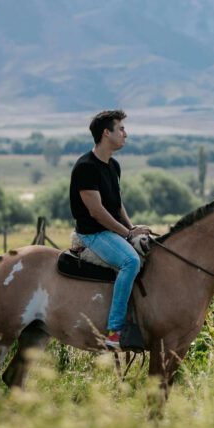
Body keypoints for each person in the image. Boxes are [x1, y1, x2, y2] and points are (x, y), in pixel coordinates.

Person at [70, 109, 149, 350]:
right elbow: (97, 212)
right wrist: (127, 234)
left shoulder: (112, 165)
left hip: (112, 231)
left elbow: (116, 204)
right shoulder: (86, 167)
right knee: (130, 262)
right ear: (107, 133)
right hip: (93, 234)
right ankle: (115, 331)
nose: (126, 134)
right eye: (121, 129)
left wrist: (132, 227)